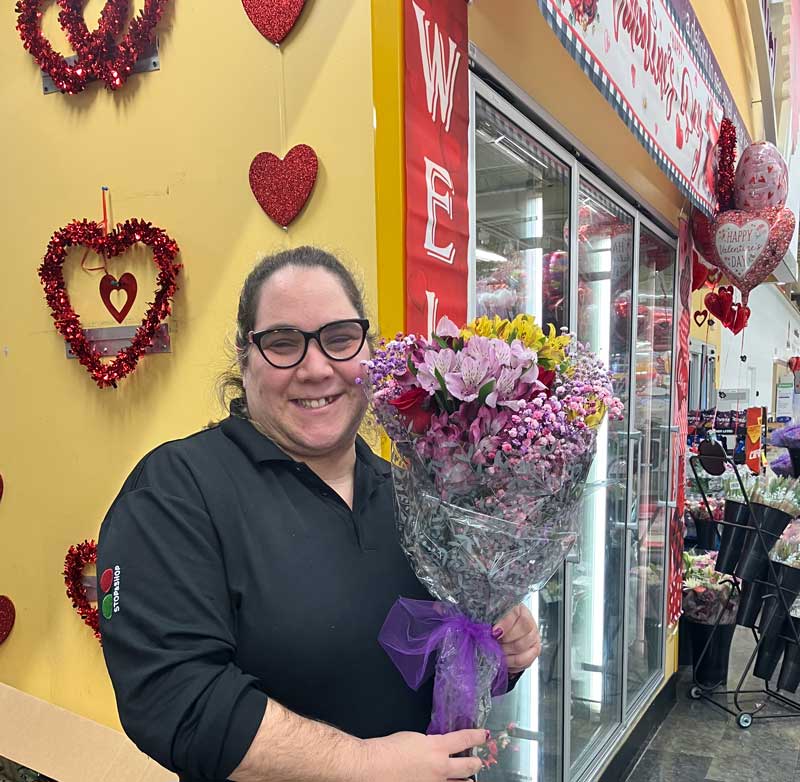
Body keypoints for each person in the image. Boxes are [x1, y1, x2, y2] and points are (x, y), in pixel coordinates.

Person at [98, 246, 542, 782]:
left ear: (368, 353)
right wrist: (362, 764)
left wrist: (500, 652)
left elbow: (439, 659)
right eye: (283, 343)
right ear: (244, 358)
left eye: (339, 339)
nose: (316, 368)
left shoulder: (413, 491)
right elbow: (176, 698)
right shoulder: (176, 492)